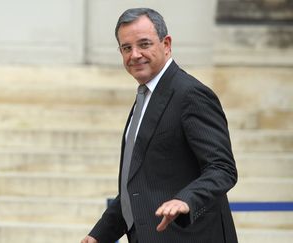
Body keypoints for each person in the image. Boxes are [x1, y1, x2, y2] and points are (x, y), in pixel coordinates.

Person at [81, 8, 238, 243]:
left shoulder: (191, 94)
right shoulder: (145, 98)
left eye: (144, 44)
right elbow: (137, 185)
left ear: (166, 44)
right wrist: (100, 235)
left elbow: (223, 169)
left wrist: (186, 200)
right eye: (126, 48)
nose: (135, 55)